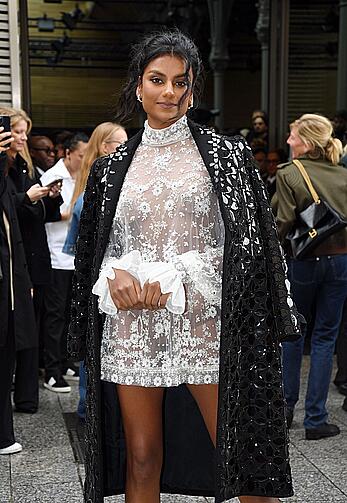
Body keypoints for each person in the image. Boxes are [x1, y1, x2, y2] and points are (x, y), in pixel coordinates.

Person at [68, 30, 300, 503]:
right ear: (138, 85)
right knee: (141, 456)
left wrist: (178, 274)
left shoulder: (226, 155)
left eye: (181, 82)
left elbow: (249, 246)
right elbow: (99, 248)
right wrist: (115, 274)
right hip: (133, 326)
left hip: (206, 322)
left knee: (241, 455)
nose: (169, 92)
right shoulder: (113, 166)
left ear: (194, 89)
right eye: (158, 80)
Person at [272, 113, 347, 439]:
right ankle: (316, 420)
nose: (288, 141)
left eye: (293, 137)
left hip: (303, 261)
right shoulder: (342, 174)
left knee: (293, 332)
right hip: (342, 260)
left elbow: (282, 222)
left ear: (307, 142)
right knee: (325, 338)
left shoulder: (290, 173)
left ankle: (286, 410)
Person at [63, 122, 127, 421]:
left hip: (103, 277)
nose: (126, 149)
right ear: (104, 147)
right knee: (95, 343)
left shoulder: (96, 181)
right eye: (120, 143)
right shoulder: (99, 185)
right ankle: (91, 409)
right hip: (101, 279)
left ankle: (92, 408)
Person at [0, 126, 37, 454]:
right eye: (13, 132)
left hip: (12, 279)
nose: (17, 139)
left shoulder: (17, 169)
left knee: (9, 355)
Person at [43, 132, 88, 393]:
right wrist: (74, 213)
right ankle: (52, 371)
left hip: (73, 257)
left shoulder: (80, 177)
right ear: (68, 153)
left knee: (70, 314)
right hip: (56, 255)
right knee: (55, 316)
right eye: (81, 156)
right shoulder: (52, 177)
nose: (84, 160)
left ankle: (64, 361)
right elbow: (44, 214)